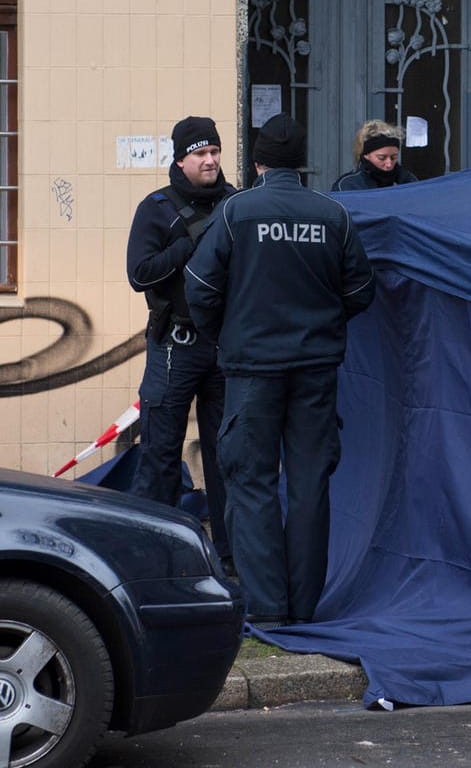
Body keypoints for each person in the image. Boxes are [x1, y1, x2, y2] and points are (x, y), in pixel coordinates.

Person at [186, 114, 375, 625]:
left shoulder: (235, 212)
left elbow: (199, 289)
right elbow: (361, 291)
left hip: (251, 371)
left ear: (257, 163)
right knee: (310, 485)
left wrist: (227, 333)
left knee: (251, 483)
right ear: (302, 164)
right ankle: (305, 607)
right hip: (315, 370)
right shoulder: (331, 214)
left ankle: (268, 609)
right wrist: (324, 323)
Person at [125, 115, 237, 572]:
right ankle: (150, 561)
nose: (210, 160)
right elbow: (139, 274)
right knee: (160, 456)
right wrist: (189, 246)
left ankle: (230, 559)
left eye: (214, 152)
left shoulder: (236, 203)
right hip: (175, 346)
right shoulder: (156, 207)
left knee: (228, 457)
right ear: (181, 159)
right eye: (200, 153)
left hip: (225, 348)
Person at [331, 119, 419, 191]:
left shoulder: (408, 181)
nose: (389, 164)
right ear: (366, 155)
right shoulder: (349, 186)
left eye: (394, 157)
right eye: (382, 158)